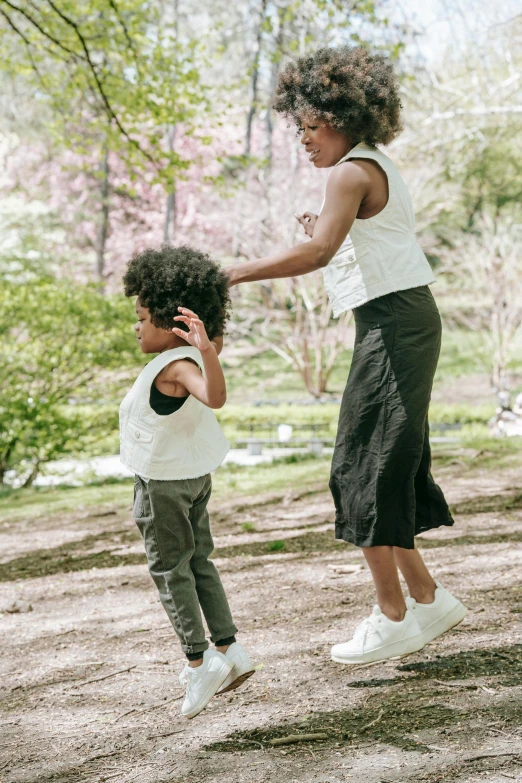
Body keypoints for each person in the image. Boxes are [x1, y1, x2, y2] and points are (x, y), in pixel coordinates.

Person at [226, 46, 466, 665]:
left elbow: (320, 256)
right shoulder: (370, 166)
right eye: (298, 127)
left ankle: (393, 616)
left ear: (342, 114)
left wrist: (231, 273)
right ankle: (426, 598)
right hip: (400, 319)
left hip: (394, 324)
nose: (304, 140)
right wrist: (322, 231)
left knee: (361, 465)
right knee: (387, 462)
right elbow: (351, 241)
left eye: (310, 125)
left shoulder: (348, 173)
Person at [120, 245, 254, 718]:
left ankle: (199, 662)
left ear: (167, 317)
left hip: (163, 487)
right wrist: (206, 349)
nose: (134, 327)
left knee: (170, 569)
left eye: (140, 317)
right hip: (194, 478)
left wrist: (203, 349)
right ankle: (231, 649)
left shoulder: (180, 365)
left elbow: (215, 398)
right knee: (199, 561)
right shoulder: (189, 360)